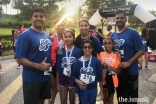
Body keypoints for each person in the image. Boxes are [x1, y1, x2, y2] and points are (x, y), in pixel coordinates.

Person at [16, 7, 52, 104]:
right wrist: (38, 66)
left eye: (41, 16)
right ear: (31, 18)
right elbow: (19, 59)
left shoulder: (46, 35)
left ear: (45, 19)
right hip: (32, 79)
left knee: (42, 101)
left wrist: (50, 73)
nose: (39, 18)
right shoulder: (25, 36)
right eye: (36, 16)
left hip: (46, 76)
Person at [111, 10, 144, 104]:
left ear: (126, 19)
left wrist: (129, 62)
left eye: (121, 17)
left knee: (131, 100)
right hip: (118, 73)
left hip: (131, 73)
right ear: (115, 20)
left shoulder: (133, 33)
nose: (119, 19)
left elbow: (141, 50)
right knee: (121, 98)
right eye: (117, 18)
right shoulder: (113, 35)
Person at [72, 40, 103, 104]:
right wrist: (78, 82)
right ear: (82, 49)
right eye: (85, 47)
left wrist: (101, 91)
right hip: (82, 89)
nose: (87, 49)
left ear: (92, 49)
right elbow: (72, 75)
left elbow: (100, 77)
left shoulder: (96, 62)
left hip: (93, 88)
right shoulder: (78, 62)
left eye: (89, 47)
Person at [56, 30, 81, 104]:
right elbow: (58, 68)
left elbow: (79, 68)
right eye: (65, 37)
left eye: (70, 37)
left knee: (72, 100)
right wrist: (57, 83)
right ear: (63, 38)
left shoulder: (78, 51)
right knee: (63, 101)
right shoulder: (61, 51)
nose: (68, 39)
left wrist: (78, 81)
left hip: (73, 79)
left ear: (74, 38)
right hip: (63, 78)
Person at [98, 37, 121, 104]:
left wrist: (111, 68)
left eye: (109, 43)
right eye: (105, 43)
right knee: (105, 100)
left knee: (110, 100)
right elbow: (97, 69)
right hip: (103, 80)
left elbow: (119, 72)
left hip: (112, 81)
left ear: (113, 45)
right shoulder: (101, 54)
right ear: (103, 45)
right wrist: (101, 65)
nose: (107, 45)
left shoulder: (116, 55)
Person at [49, 20, 65, 104]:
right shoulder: (51, 38)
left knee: (63, 92)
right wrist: (49, 72)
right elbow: (46, 54)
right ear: (55, 27)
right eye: (58, 25)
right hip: (54, 67)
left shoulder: (68, 38)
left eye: (62, 25)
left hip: (64, 67)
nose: (60, 27)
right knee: (54, 91)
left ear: (65, 27)